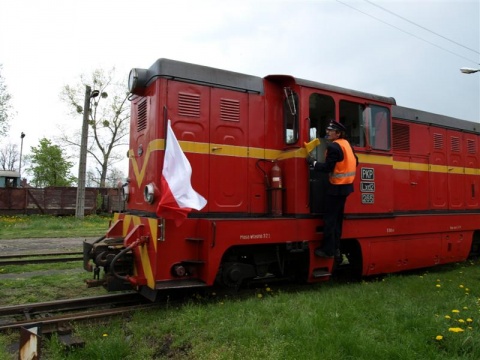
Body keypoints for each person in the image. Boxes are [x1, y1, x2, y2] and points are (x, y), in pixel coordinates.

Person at [306, 120, 358, 259]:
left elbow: (327, 168)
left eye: (331, 130)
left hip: (336, 188)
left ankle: (328, 250)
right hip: (346, 188)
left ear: (338, 133)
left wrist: (313, 162)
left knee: (330, 219)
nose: (328, 132)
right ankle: (335, 248)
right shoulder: (347, 145)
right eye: (328, 129)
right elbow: (356, 161)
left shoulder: (334, 147)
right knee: (337, 219)